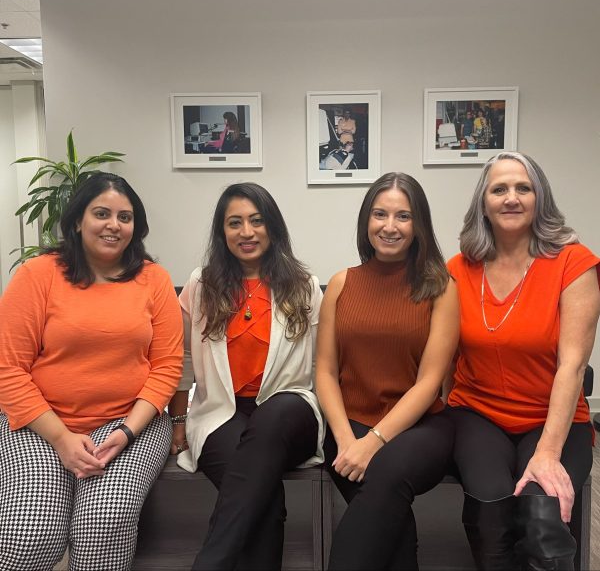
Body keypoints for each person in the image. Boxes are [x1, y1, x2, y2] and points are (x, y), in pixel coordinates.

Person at [0, 172, 183, 571]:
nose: (114, 225)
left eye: (125, 217)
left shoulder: (154, 279)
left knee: (104, 520)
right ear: (78, 220)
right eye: (102, 213)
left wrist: (126, 431)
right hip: (40, 424)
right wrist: (62, 439)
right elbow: (9, 369)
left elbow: (167, 366)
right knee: (29, 531)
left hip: (130, 423)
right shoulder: (37, 274)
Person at [446, 151, 600, 570]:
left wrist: (547, 453)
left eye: (523, 188)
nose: (511, 198)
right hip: (478, 413)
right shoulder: (458, 270)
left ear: (539, 199)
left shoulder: (574, 262)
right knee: (491, 508)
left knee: (541, 509)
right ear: (484, 202)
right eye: (499, 189)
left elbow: (572, 365)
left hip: (553, 417)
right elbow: (442, 358)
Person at [170, 182, 324, 571]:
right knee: (264, 499)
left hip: (290, 409)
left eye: (256, 221)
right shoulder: (201, 285)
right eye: (234, 222)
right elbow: (183, 359)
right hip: (222, 412)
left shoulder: (304, 285)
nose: (247, 232)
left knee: (274, 416)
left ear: (272, 227)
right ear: (222, 232)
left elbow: (324, 361)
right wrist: (178, 422)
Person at [316, 172, 459, 570]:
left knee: (386, 478)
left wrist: (373, 443)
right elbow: (325, 371)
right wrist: (346, 441)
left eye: (403, 216)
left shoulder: (440, 286)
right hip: (349, 427)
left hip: (421, 428)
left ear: (419, 225)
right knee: (392, 528)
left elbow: (431, 382)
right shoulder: (342, 283)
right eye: (380, 214)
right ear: (367, 221)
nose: (390, 227)